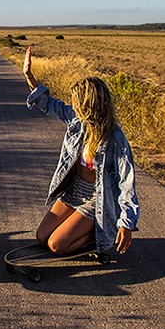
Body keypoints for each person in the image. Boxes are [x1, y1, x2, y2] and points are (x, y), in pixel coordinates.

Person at [22, 47, 139, 255]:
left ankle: (102, 233)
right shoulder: (77, 121)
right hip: (74, 191)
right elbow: (48, 104)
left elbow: (126, 183)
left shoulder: (115, 140)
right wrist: (29, 76)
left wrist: (126, 224)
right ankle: (81, 228)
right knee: (42, 237)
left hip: (97, 199)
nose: (73, 106)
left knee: (56, 245)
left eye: (78, 103)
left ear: (88, 105)